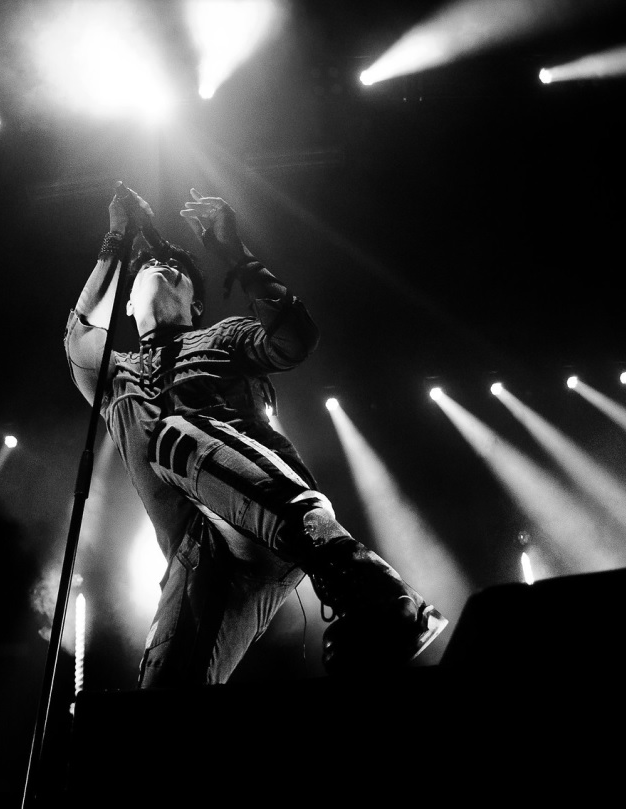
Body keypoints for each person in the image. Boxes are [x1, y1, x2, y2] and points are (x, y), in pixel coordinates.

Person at [63, 184, 447, 686]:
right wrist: (116, 238)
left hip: (269, 516)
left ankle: (383, 596)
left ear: (196, 305)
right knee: (164, 700)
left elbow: (295, 340)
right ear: (128, 303)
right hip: (197, 556)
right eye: (148, 268)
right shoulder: (116, 376)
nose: (161, 266)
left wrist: (237, 256)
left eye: (177, 268)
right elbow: (79, 335)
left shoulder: (223, 336)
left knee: (175, 438)